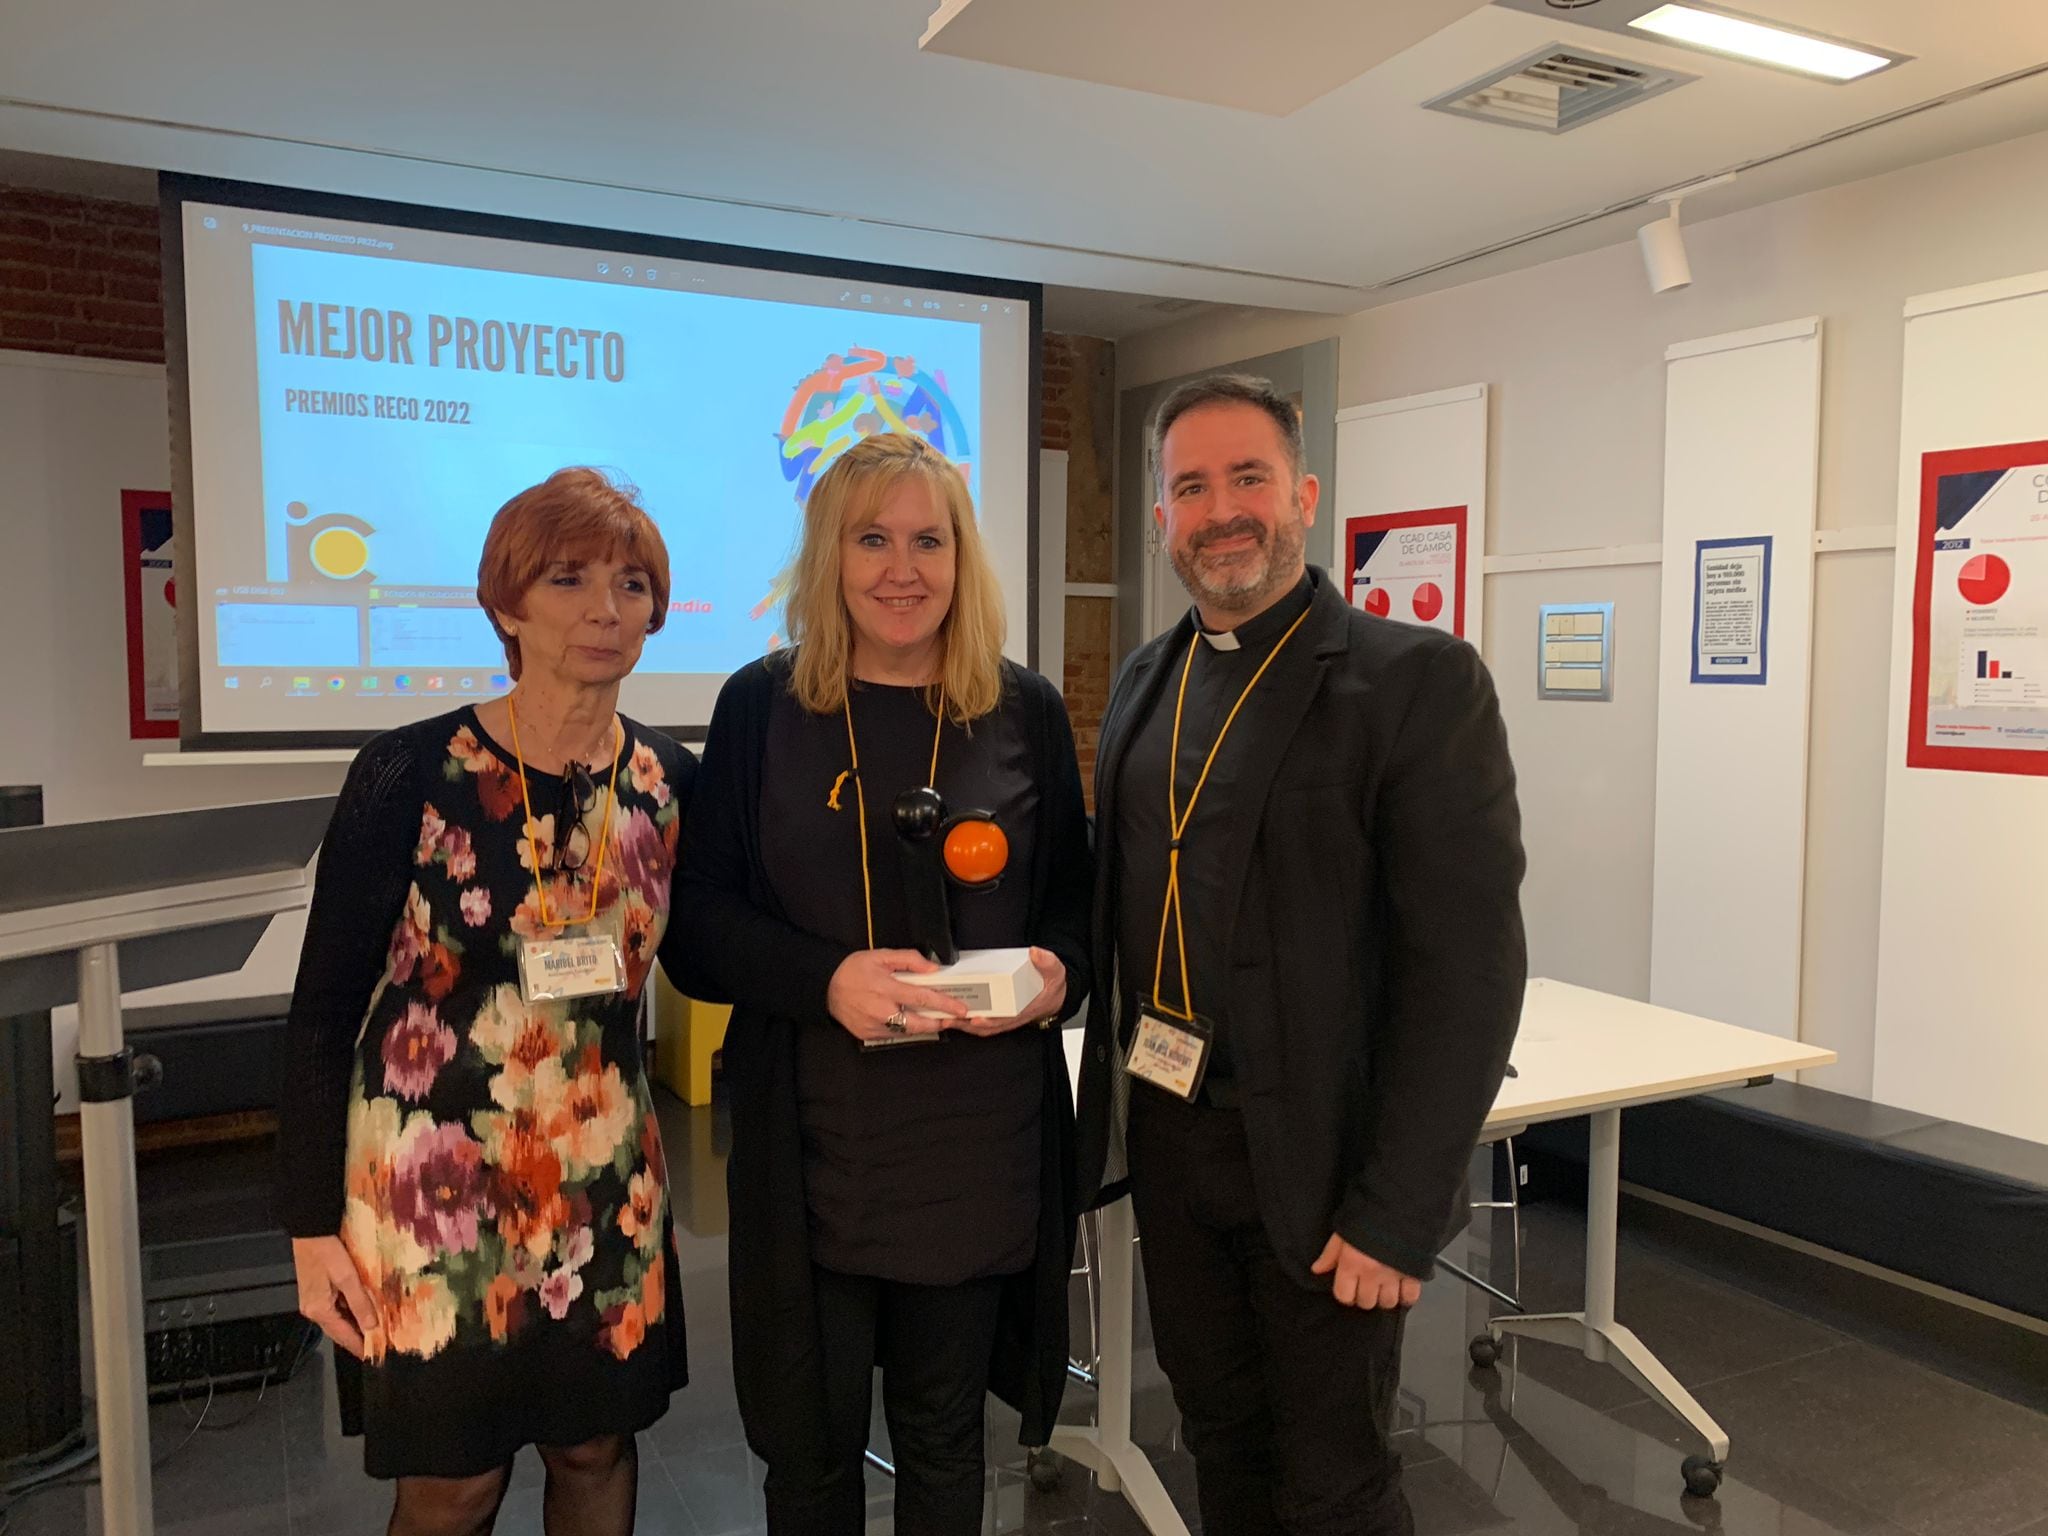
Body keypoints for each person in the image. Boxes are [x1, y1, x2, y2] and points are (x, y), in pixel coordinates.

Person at [1073, 374, 1527, 1535]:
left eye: (1247, 479)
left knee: (1333, 1479)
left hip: (1326, 1160)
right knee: (1218, 1439)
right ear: (1161, 518)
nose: (1221, 510)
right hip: (1174, 1141)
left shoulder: (1413, 681)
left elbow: (1466, 972)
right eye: (1190, 487)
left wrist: (1396, 1212)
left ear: (1303, 497)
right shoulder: (1144, 677)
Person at [676, 431, 1092, 1535]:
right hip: (813, 1149)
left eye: (927, 540)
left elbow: (1074, 909)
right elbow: (697, 928)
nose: (900, 568)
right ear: (829, 555)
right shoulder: (760, 708)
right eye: (871, 539)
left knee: (945, 1445)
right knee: (807, 1461)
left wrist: (1061, 971)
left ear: (963, 560)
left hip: (971, 1146)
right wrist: (824, 981)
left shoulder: (1022, 711)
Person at [278, 467, 698, 1536]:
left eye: (631, 583)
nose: (606, 609)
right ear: (506, 604)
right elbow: (324, 1009)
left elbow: (719, 949)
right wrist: (307, 1228)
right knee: (453, 1483)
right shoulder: (411, 773)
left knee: (594, 1447)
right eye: (567, 580)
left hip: (601, 1178)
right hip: (431, 1184)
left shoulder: (665, 781)